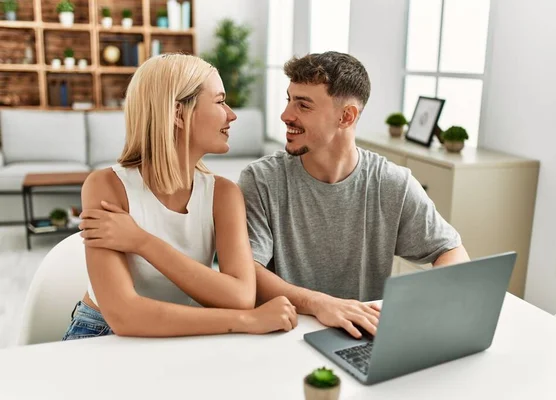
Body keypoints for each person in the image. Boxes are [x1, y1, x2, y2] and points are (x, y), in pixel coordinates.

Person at [237, 51, 470, 339]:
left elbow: (451, 251)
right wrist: (319, 302)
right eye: (289, 99)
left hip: (363, 337)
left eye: (303, 105)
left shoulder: (390, 182)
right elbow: (247, 273)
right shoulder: (262, 180)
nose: (286, 115)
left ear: (346, 117)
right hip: (286, 334)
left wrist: (419, 305)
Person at [63, 54, 297, 340]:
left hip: (183, 333)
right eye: (220, 101)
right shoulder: (106, 186)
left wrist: (142, 242)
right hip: (102, 335)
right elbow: (124, 316)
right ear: (177, 113)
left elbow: (240, 296)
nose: (231, 114)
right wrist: (247, 320)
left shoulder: (223, 194)